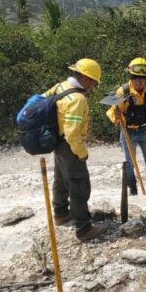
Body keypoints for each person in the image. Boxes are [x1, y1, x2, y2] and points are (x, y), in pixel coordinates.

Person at [45, 58, 109, 243]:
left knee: (60, 180)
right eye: (94, 83)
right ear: (87, 79)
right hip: (69, 145)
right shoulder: (78, 99)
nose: (94, 87)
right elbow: (73, 133)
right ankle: (84, 228)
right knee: (79, 184)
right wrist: (82, 153)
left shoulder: (60, 87)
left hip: (57, 141)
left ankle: (61, 214)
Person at [106, 57, 146, 195]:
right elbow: (111, 111)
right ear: (131, 77)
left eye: (142, 78)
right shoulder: (123, 91)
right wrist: (116, 115)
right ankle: (132, 189)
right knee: (129, 162)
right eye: (136, 78)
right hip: (128, 132)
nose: (139, 82)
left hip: (145, 130)